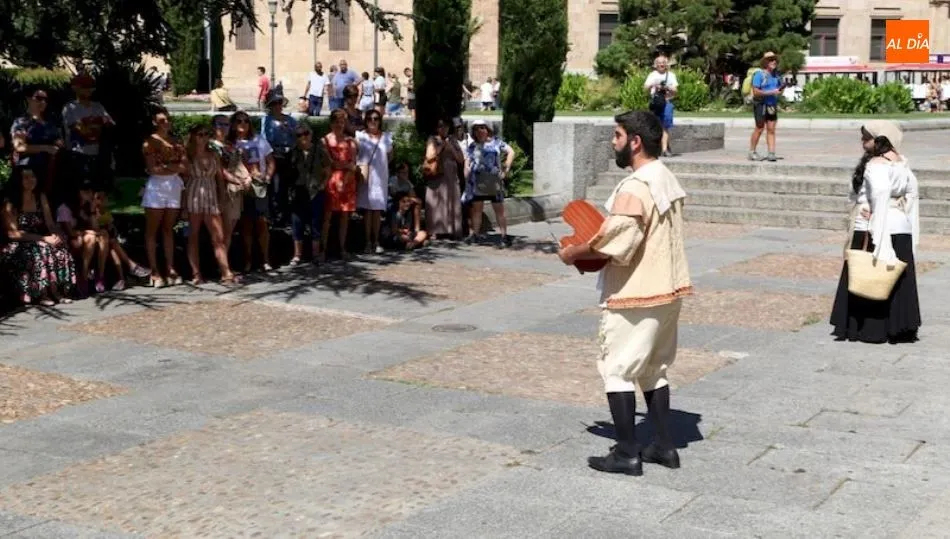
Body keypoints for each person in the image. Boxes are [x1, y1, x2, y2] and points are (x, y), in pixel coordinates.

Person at [558, 110, 692, 476]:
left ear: (635, 141)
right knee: (653, 369)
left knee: (616, 369)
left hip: (637, 294)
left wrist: (573, 253)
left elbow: (618, 242)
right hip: (668, 291)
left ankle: (628, 453)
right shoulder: (664, 176)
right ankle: (664, 446)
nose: (612, 142)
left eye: (617, 135)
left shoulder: (636, 186)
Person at [830, 120, 921, 344]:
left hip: (874, 227)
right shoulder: (901, 163)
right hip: (900, 226)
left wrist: (878, 223)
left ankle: (870, 328)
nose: (862, 142)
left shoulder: (876, 165)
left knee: (869, 274)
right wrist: (899, 214)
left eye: (867, 138)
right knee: (896, 276)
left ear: (880, 139)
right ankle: (898, 326)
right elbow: (911, 196)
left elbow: (879, 195)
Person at [1, 162, 76, 306]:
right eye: (26, 178)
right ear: (19, 180)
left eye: (33, 177)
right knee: (40, 249)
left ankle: (58, 292)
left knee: (59, 249)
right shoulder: (10, 202)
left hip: (40, 238)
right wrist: (42, 239)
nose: (31, 180)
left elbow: (50, 223)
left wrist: (55, 235)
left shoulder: (40, 197)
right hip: (17, 243)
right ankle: (42, 294)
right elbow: (12, 233)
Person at [141, 106, 186, 287]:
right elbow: (153, 168)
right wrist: (172, 167)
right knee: (153, 229)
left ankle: (170, 267)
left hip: (173, 185)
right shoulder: (149, 143)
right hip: (157, 185)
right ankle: (154, 270)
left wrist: (168, 166)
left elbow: (184, 166)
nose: (166, 123)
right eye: (161, 121)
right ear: (154, 123)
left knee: (169, 228)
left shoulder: (176, 141)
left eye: (167, 119)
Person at [462, 120, 514, 247]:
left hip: (493, 181)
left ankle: (504, 236)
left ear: (488, 129)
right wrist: (466, 171)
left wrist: (506, 168)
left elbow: (511, 152)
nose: (479, 131)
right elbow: (467, 160)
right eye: (476, 129)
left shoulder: (496, 142)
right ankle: (475, 234)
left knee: (499, 210)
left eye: (482, 128)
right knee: (477, 210)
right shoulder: (473, 145)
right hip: (478, 181)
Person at [288, 123, 329, 265]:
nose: (303, 137)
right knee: (297, 223)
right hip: (298, 191)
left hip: (315, 191)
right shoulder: (293, 152)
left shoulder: (319, 151)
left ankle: (316, 254)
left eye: (306, 134)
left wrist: (323, 184)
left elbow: (327, 168)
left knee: (315, 223)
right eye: (299, 135)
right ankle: (297, 254)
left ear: (311, 135)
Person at [261, 90, 298, 226]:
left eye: (280, 103)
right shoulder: (267, 120)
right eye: (275, 103)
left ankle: (287, 216)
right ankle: (275, 215)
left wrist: (290, 131)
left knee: (288, 187)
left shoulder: (290, 120)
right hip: (275, 155)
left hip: (289, 156)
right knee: (275, 187)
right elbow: (265, 140)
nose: (278, 106)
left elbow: (299, 135)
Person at [749, 51, 784, 162]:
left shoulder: (777, 76)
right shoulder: (759, 75)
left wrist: (781, 90)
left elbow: (778, 90)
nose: (773, 62)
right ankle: (752, 152)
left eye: (774, 60)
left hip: (771, 105)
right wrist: (771, 92)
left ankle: (771, 153)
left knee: (771, 129)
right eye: (770, 60)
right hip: (761, 104)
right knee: (759, 128)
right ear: (765, 62)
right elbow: (756, 92)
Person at [643, 55, 677, 158]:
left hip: (667, 102)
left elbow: (675, 91)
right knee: (655, 126)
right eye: (659, 63)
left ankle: (665, 149)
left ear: (666, 64)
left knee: (665, 125)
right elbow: (645, 88)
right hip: (656, 102)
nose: (661, 65)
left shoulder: (671, 75)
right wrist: (654, 85)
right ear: (656, 65)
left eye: (663, 63)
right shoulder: (652, 75)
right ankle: (661, 146)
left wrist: (667, 87)